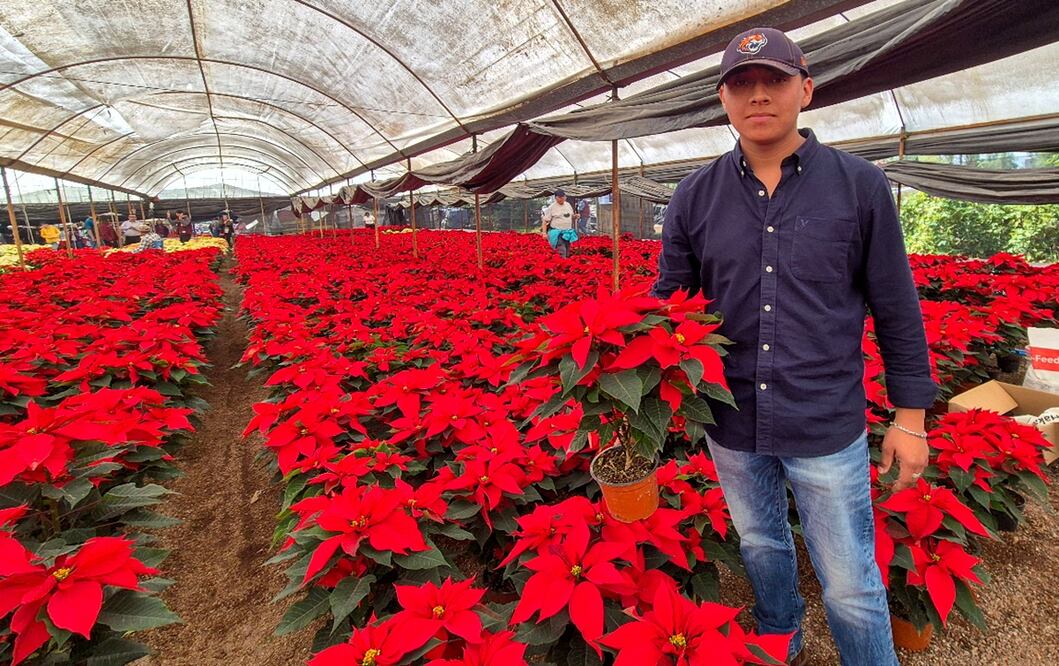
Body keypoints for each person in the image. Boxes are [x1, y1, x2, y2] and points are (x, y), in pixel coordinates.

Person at [651, 28, 936, 666]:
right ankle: (779, 625)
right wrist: (627, 407)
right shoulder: (695, 195)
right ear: (722, 98)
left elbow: (895, 303)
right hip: (731, 417)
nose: (759, 95)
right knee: (759, 541)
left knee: (851, 579)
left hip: (824, 419)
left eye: (774, 81)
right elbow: (668, 309)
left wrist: (910, 417)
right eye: (741, 84)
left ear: (805, 90)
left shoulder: (859, 186)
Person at [541, 188, 578, 258]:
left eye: (563, 197)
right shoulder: (552, 207)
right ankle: (563, 262)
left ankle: (566, 263)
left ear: (565, 197)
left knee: (567, 249)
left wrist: (575, 216)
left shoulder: (568, 205)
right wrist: (544, 233)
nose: (562, 199)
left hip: (568, 232)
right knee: (562, 250)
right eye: (559, 198)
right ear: (556, 198)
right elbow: (545, 220)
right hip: (557, 233)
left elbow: (571, 216)